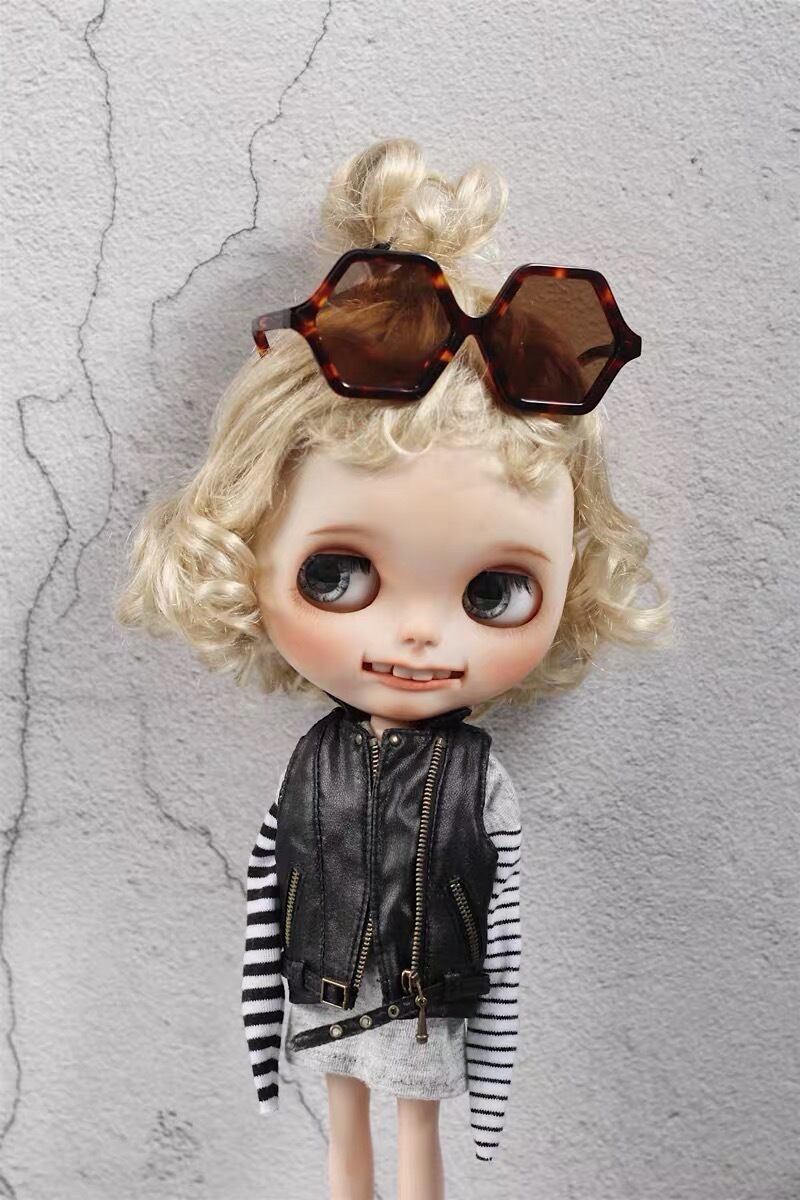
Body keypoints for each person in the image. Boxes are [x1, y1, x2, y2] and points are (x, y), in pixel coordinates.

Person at [116, 136, 671, 1200]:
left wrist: (492, 1092)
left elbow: (504, 939)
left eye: (492, 593)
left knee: (418, 1140)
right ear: (246, 547)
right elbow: (265, 904)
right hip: (322, 991)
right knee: (344, 1142)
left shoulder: (479, 781)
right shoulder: (312, 764)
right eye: (337, 575)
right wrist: (262, 1049)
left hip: (427, 1005)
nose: (419, 638)